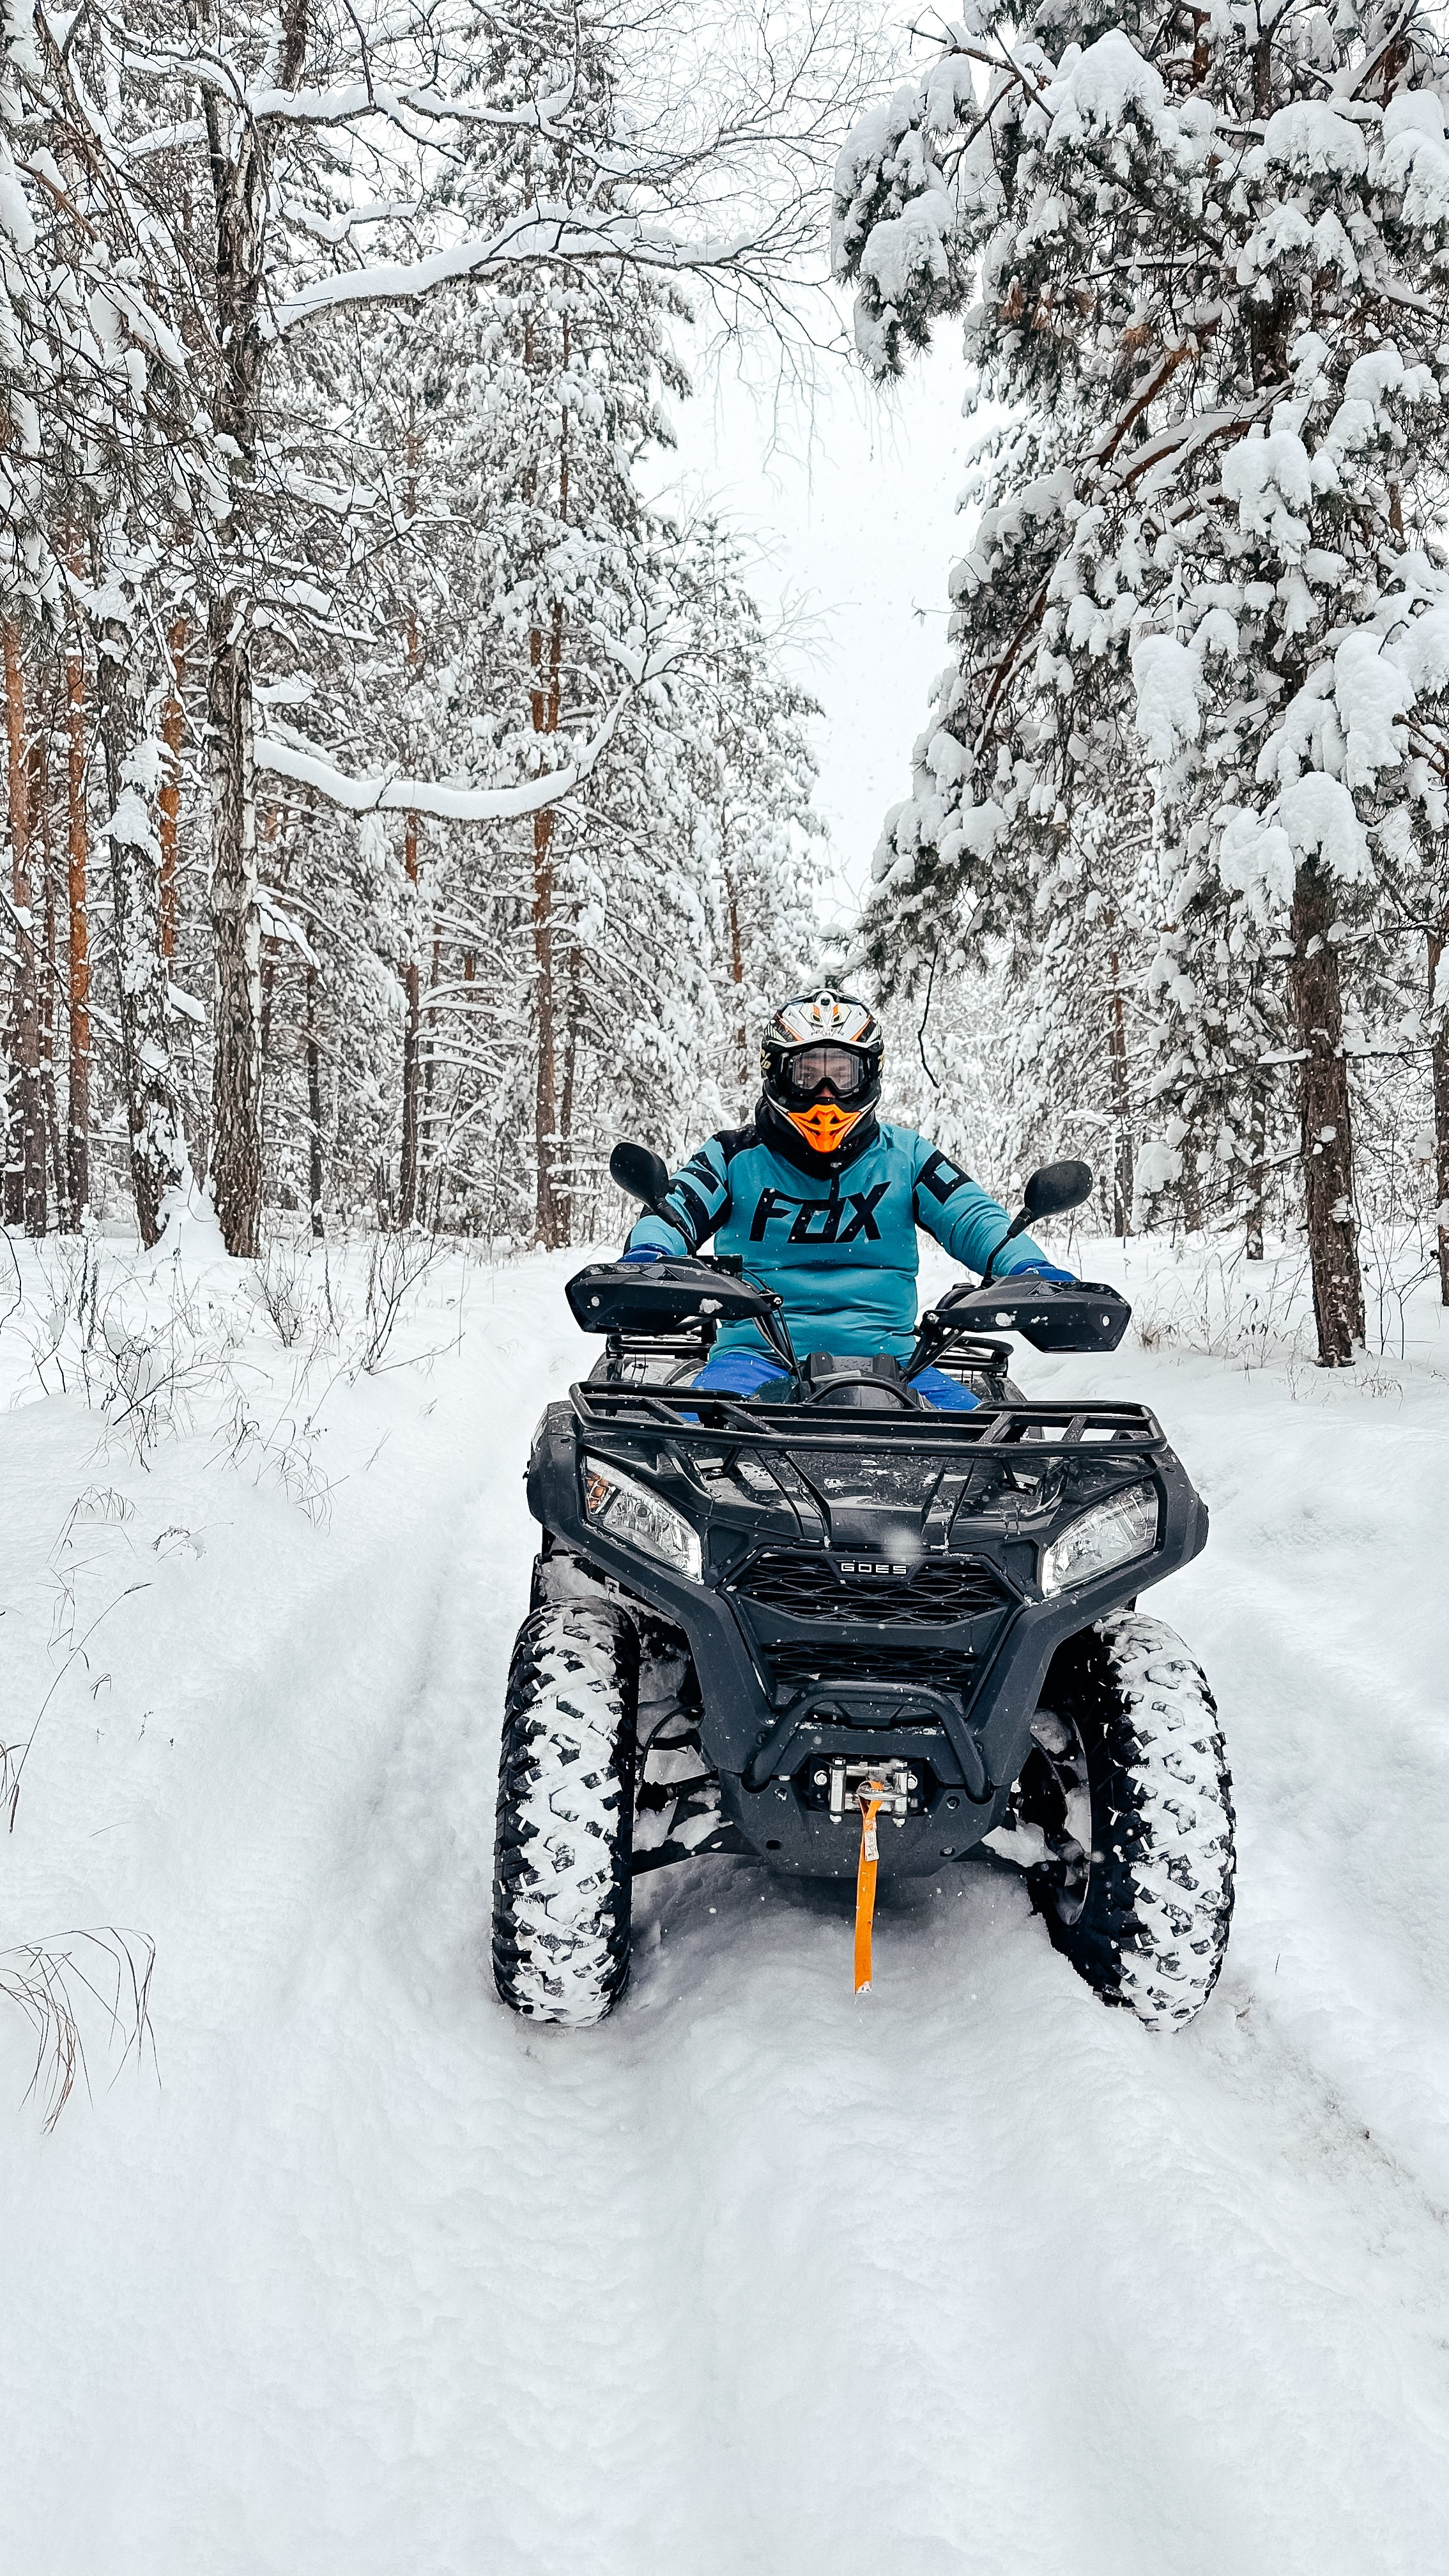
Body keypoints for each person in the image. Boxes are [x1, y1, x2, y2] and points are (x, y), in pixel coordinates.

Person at [620, 988, 1074, 1410]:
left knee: (996, 1445)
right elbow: (675, 1208)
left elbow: (974, 1217)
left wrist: (1028, 1268)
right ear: (777, 1072)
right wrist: (649, 1253)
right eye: (807, 1074)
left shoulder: (906, 1156)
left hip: (898, 1364)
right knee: (688, 1445)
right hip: (753, 1359)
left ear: (869, 1075)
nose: (826, 1094)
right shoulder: (732, 1156)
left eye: (842, 1074)